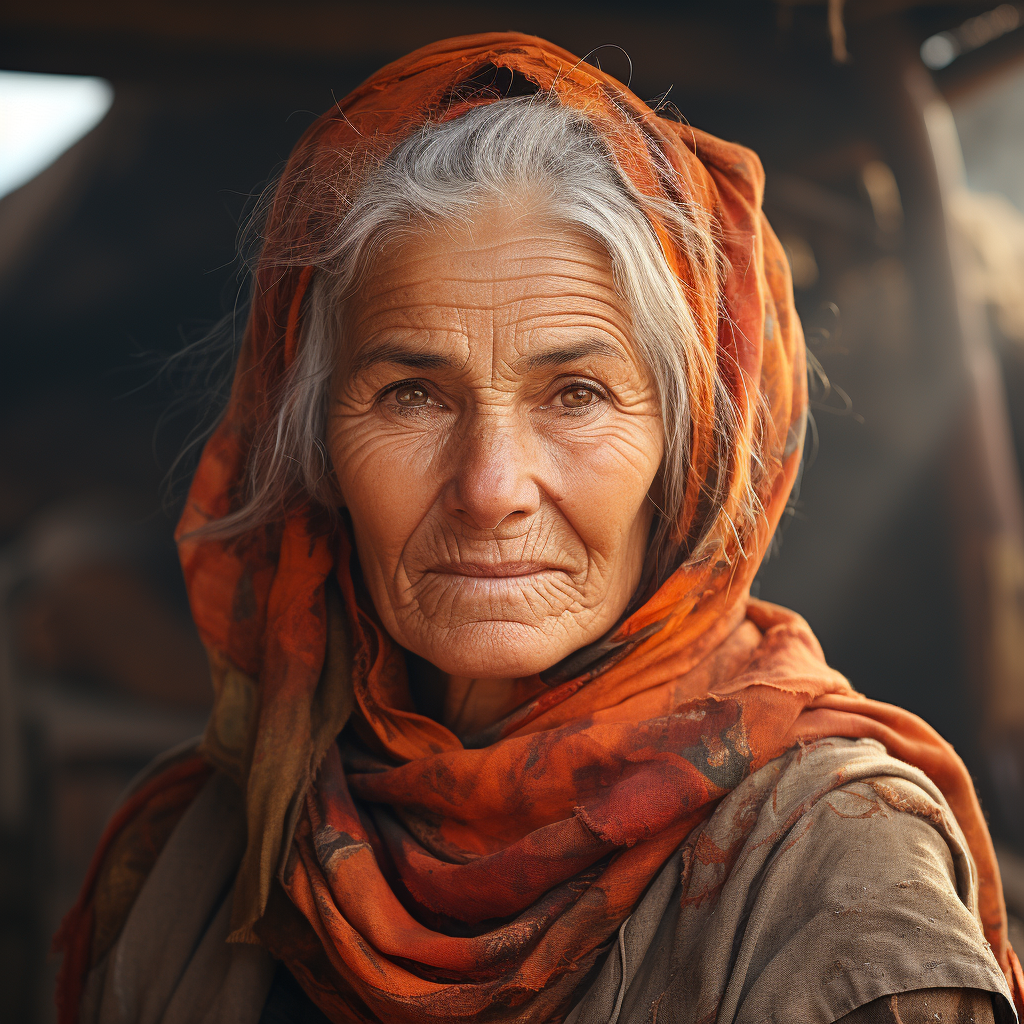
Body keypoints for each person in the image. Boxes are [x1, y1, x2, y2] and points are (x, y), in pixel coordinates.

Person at [54, 33, 1024, 1024]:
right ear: (316, 451)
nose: (489, 486)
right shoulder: (207, 842)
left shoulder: (835, 878)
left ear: (686, 460)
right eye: (411, 395)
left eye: (575, 393)